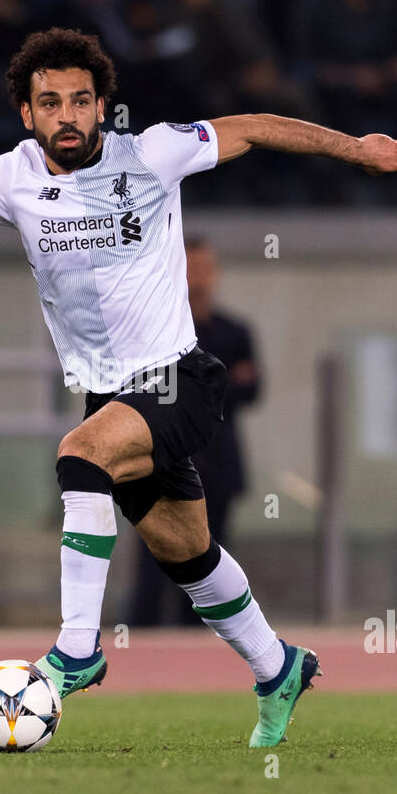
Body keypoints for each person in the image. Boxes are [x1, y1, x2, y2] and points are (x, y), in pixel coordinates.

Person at [0, 27, 397, 746]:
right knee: (189, 557)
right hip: (111, 397)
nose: (67, 115)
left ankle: (77, 650)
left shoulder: (152, 151)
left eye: (81, 99)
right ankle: (279, 666)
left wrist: (354, 148)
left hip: (179, 380)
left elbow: (255, 127)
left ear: (103, 104)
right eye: (50, 103)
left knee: (80, 457)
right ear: (26, 114)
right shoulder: (8, 177)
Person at [130, 235, 261, 626]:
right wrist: (215, 384)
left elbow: (251, 388)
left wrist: (196, 388)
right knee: (154, 564)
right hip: (162, 462)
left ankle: (207, 647)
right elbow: (153, 390)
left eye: (205, 268)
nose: (198, 278)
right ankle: (142, 645)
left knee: (211, 559)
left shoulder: (234, 331)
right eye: (191, 268)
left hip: (218, 464)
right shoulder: (155, 328)